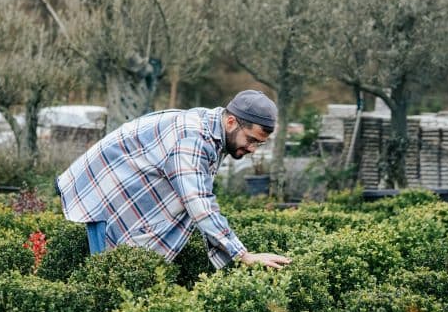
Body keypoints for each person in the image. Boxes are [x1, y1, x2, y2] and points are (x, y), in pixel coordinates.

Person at [56, 90, 292, 270]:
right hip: (105, 194)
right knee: (111, 282)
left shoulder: (212, 129)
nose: (252, 149)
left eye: (259, 144)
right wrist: (242, 255)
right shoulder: (193, 137)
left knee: (129, 275)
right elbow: (197, 201)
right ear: (231, 122)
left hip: (123, 189)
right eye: (251, 140)